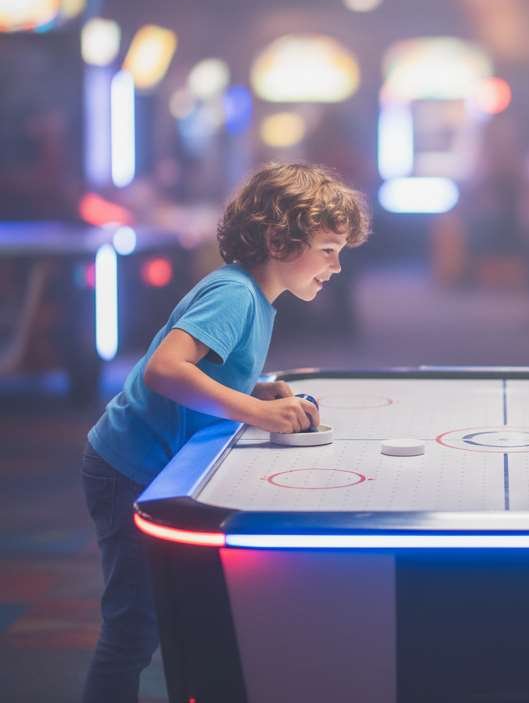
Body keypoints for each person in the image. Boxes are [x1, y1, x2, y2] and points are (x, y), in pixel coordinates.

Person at [80, 162, 370, 703]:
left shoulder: (254, 296)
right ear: (281, 240)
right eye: (329, 250)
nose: (335, 267)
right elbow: (163, 371)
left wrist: (255, 392)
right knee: (131, 630)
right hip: (127, 467)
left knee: (166, 616)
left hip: (150, 464)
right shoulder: (235, 294)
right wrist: (253, 413)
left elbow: (205, 370)